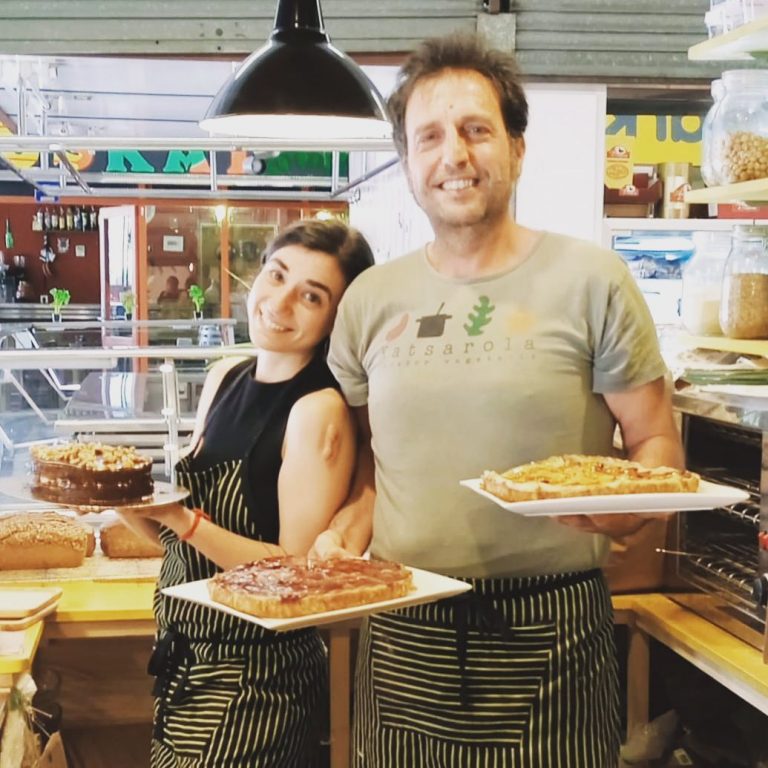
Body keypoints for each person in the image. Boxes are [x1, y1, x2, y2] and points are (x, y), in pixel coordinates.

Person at [316, 34, 685, 767]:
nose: (454, 153)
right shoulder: (368, 300)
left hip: (552, 627)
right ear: (408, 163)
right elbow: (373, 463)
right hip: (403, 621)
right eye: (429, 136)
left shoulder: (593, 280)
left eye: (476, 130)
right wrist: (347, 527)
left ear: (516, 150)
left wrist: (635, 506)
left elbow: (658, 447)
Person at [117, 219, 375, 767]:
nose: (279, 303)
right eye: (276, 276)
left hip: (257, 680)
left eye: (311, 296)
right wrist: (119, 500)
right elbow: (179, 545)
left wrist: (186, 522)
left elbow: (296, 573)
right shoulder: (225, 378)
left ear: (336, 318)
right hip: (187, 660)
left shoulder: (317, 410)